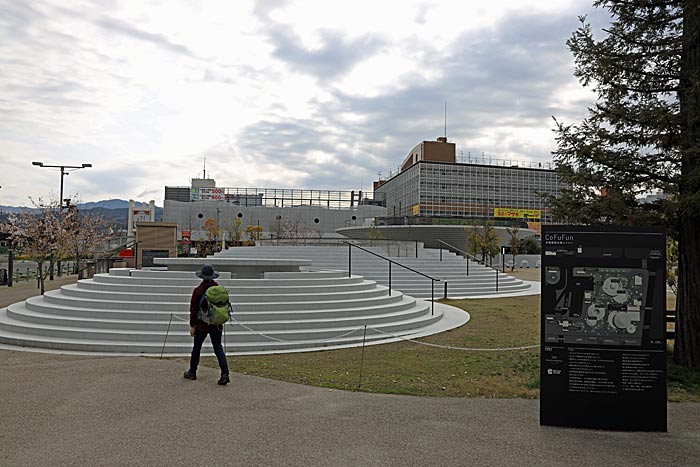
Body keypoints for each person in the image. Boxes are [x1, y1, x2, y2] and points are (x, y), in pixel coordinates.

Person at [183, 264, 230, 385]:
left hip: (201, 324)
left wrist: (192, 325)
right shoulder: (218, 290)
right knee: (218, 348)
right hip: (216, 324)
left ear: (202, 277)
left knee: (197, 348)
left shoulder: (198, 291)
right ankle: (225, 374)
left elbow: (193, 309)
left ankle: (192, 372)